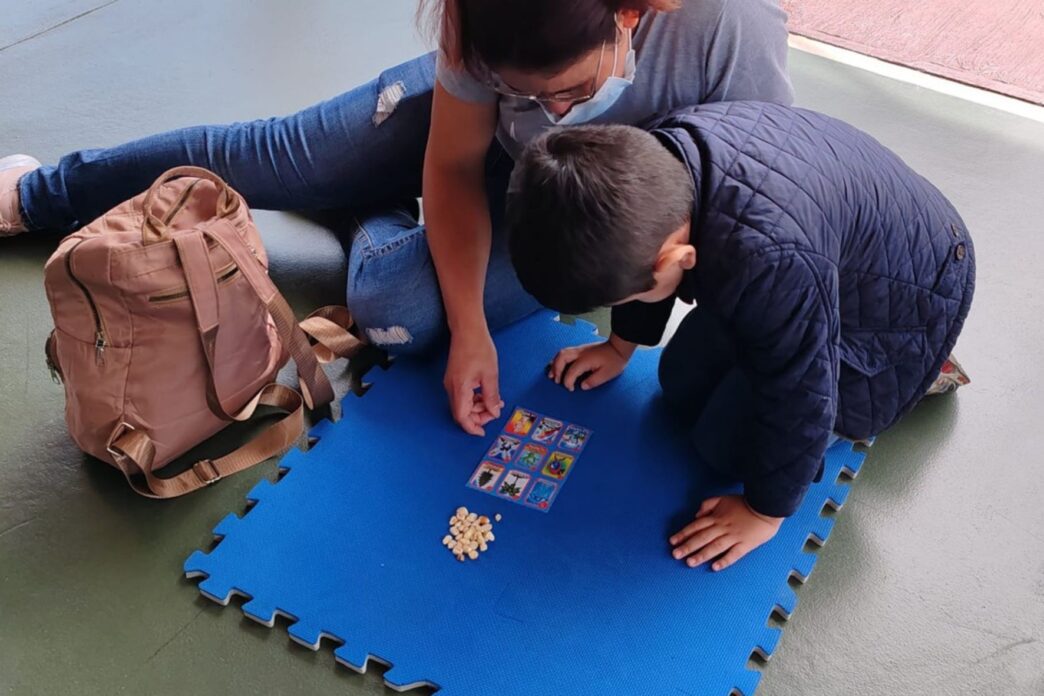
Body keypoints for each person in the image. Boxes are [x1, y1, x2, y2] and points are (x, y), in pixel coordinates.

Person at [0, 0, 794, 435]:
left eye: (573, 93)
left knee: (397, 315)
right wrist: (474, 332)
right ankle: (37, 192)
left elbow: (748, 198)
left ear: (632, 14)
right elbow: (452, 169)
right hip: (476, 145)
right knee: (267, 154)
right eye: (524, 93)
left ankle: (364, 202)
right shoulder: (483, 22)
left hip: (565, 211)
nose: (551, 114)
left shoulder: (730, 28)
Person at [504, 101, 975, 571]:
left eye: (621, 301)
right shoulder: (651, 160)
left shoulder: (771, 261)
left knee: (724, 449)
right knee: (679, 379)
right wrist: (618, 346)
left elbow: (800, 389)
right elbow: (637, 256)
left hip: (910, 299)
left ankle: (924, 369)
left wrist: (764, 512)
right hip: (825, 248)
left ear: (678, 260)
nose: (620, 307)